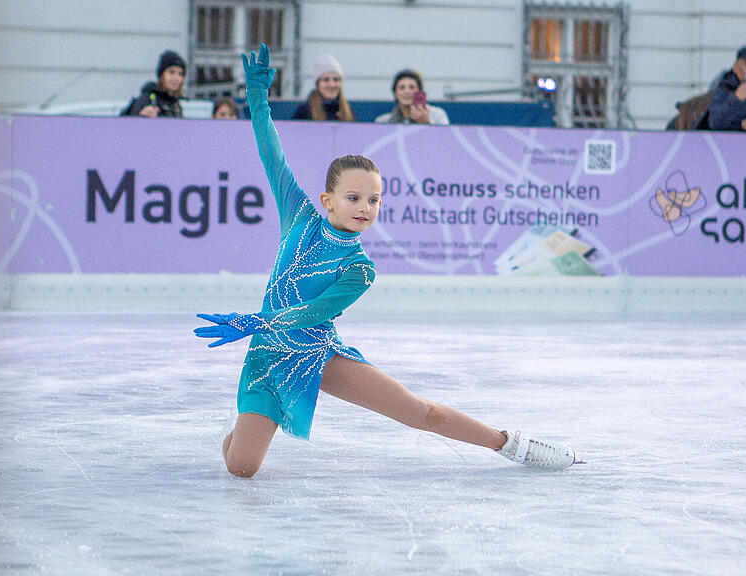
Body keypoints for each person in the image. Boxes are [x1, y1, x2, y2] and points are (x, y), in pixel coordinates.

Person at [195, 44, 577, 478]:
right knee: (242, 467)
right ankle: (241, 428)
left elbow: (314, 312)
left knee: (421, 412)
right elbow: (272, 155)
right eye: (353, 197)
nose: (364, 207)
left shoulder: (360, 268)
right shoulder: (299, 216)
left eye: (374, 199)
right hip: (268, 355)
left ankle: (512, 444)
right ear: (328, 200)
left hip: (317, 351)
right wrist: (258, 98)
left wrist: (256, 321)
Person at [121, 50, 186, 118]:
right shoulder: (149, 98)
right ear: (161, 75)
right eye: (171, 72)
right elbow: (131, 120)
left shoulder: (176, 105)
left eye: (180, 74)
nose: (176, 78)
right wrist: (142, 116)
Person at [291, 53, 356, 121]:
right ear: (318, 84)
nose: (332, 85)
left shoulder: (348, 113)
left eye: (336, 79)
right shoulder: (304, 112)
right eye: (326, 80)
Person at [374, 69, 450, 125]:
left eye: (412, 87)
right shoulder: (383, 122)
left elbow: (444, 140)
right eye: (402, 88)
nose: (407, 91)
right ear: (395, 93)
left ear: (419, 92)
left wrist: (426, 123)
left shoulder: (437, 115)